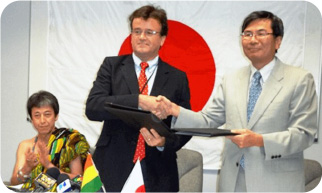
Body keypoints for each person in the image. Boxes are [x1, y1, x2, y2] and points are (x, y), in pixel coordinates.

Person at [158, 11, 317, 192]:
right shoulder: (232, 79)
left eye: (261, 33)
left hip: (276, 183)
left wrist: (259, 140)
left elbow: (304, 134)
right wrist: (174, 110)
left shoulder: (300, 79)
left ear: (278, 41)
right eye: (247, 34)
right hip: (233, 182)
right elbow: (208, 120)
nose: (253, 39)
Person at [85, 5, 191, 192]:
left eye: (150, 32)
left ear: (162, 39)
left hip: (158, 171)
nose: (142, 37)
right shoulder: (111, 66)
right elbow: (93, 107)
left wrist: (165, 142)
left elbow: (186, 125)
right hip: (112, 165)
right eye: (137, 31)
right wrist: (139, 100)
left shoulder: (177, 77)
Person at [10, 90, 90, 191]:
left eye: (47, 114)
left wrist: (49, 165)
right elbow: (14, 183)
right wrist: (27, 168)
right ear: (31, 119)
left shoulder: (70, 140)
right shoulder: (26, 146)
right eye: (37, 115)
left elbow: (78, 179)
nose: (42, 121)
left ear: (56, 116)